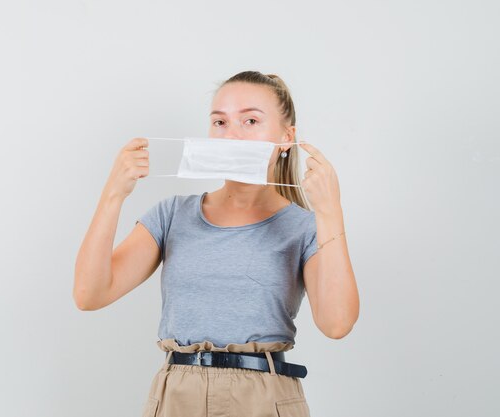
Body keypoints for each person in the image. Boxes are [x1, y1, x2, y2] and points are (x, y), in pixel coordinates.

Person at [73, 70, 360, 417]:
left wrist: (330, 212)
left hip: (265, 397)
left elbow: (337, 324)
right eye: (219, 122)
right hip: (176, 395)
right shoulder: (172, 215)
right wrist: (113, 193)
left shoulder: (304, 227)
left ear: (287, 137)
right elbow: (90, 295)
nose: (232, 135)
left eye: (250, 120)